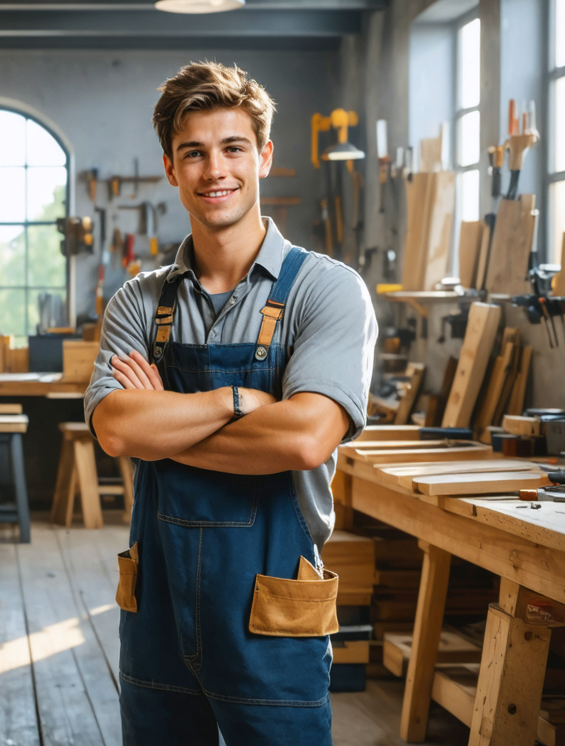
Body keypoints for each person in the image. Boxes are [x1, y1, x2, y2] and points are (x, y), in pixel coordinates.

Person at [86, 61, 377, 745]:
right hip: (155, 617)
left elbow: (305, 439)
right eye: (194, 152)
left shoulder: (326, 292)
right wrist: (239, 399)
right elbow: (117, 429)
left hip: (272, 623)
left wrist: (167, 425)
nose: (214, 169)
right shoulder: (138, 301)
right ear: (170, 167)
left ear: (264, 157)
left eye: (232, 148)